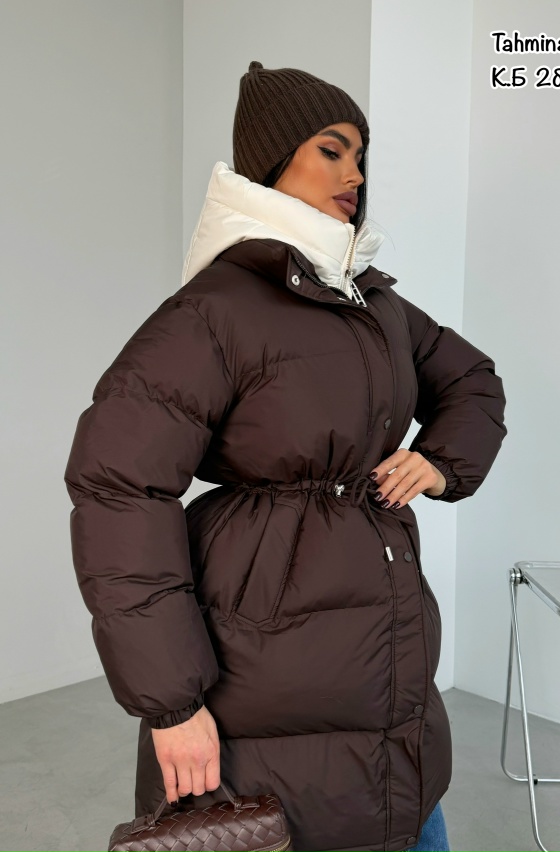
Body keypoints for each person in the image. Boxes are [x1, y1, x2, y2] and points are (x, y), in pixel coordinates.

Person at [64, 61, 507, 852]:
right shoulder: (215, 310)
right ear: (274, 162)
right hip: (264, 660)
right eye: (331, 150)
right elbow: (119, 485)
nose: (355, 175)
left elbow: (471, 379)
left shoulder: (373, 301)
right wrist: (171, 704)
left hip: (388, 665)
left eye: (361, 155)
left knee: (404, 806)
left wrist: (441, 461)